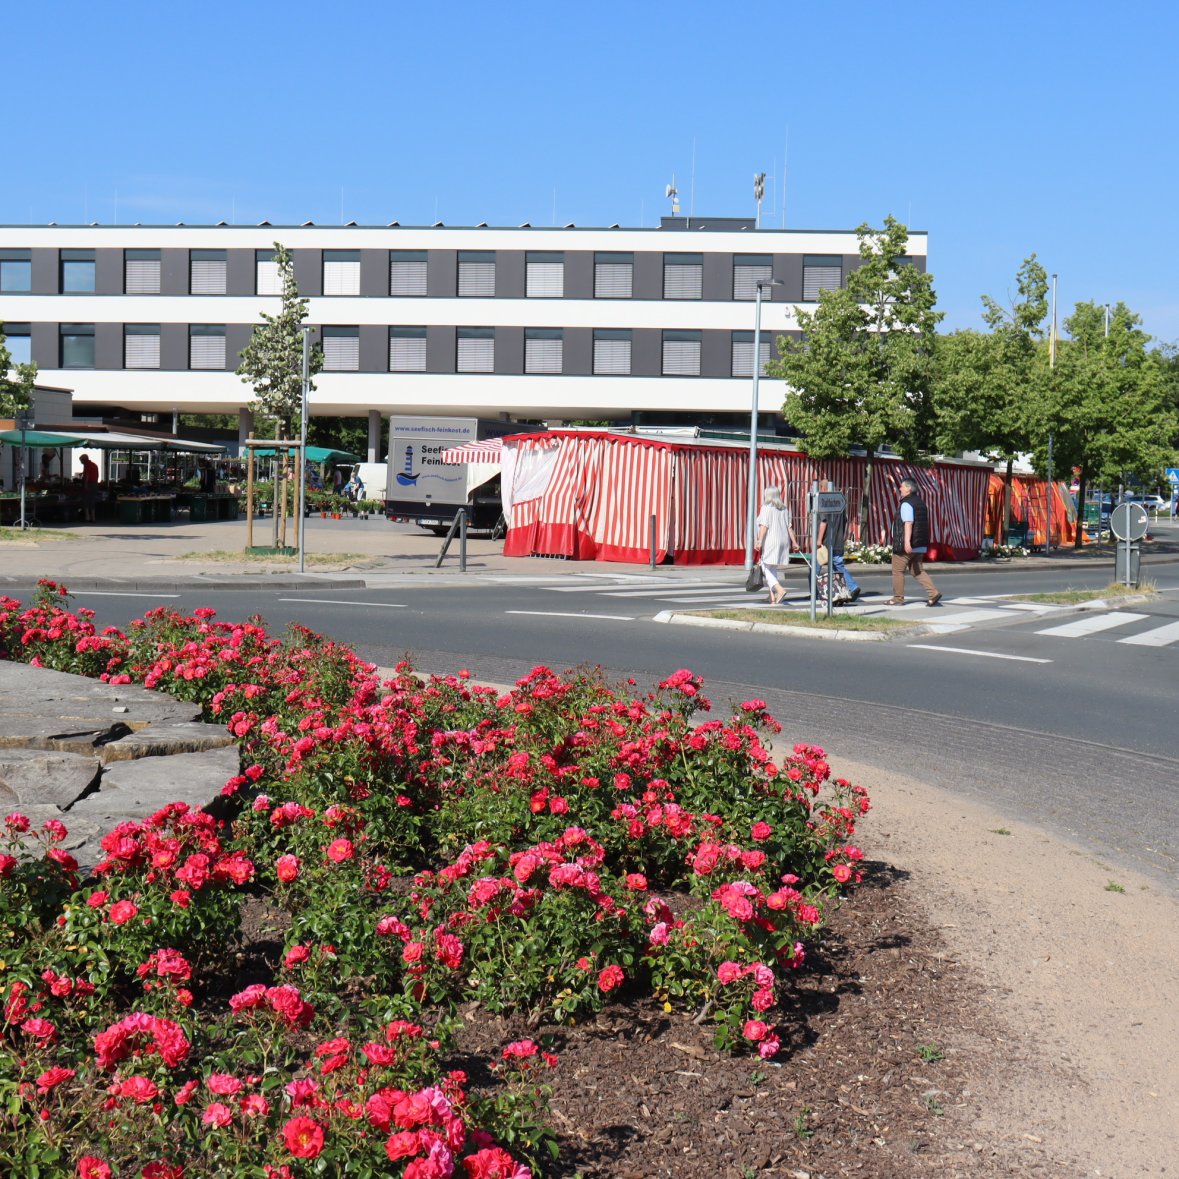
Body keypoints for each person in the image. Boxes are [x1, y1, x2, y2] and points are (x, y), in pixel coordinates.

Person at [888, 477, 942, 606]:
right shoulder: (920, 503)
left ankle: (897, 598)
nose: (900, 488)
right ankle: (933, 593)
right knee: (917, 571)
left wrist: (906, 542)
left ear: (908, 489)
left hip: (907, 545)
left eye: (902, 486)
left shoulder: (907, 503)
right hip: (920, 544)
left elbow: (908, 523)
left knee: (897, 571)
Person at [815, 482, 860, 604]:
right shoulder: (840, 502)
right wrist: (844, 536)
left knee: (815, 568)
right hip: (838, 540)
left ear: (823, 488)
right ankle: (852, 586)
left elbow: (823, 522)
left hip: (826, 542)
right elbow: (845, 521)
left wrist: (818, 540)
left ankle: (815, 593)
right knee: (838, 566)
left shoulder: (825, 501)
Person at [755, 486, 800, 605]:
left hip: (771, 540)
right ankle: (772, 598)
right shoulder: (784, 509)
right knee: (772, 568)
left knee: (764, 566)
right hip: (783, 541)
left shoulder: (766, 508)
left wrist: (759, 541)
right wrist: (794, 542)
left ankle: (779, 590)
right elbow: (789, 527)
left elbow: (764, 526)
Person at [79, 453, 100, 522]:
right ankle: (93, 517)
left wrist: (85, 485)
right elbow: (96, 475)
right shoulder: (94, 465)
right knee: (92, 500)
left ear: (84, 460)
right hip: (95, 484)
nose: (81, 462)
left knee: (86, 500)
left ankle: (87, 517)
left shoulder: (87, 465)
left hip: (89, 484)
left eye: (81, 461)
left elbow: (87, 475)